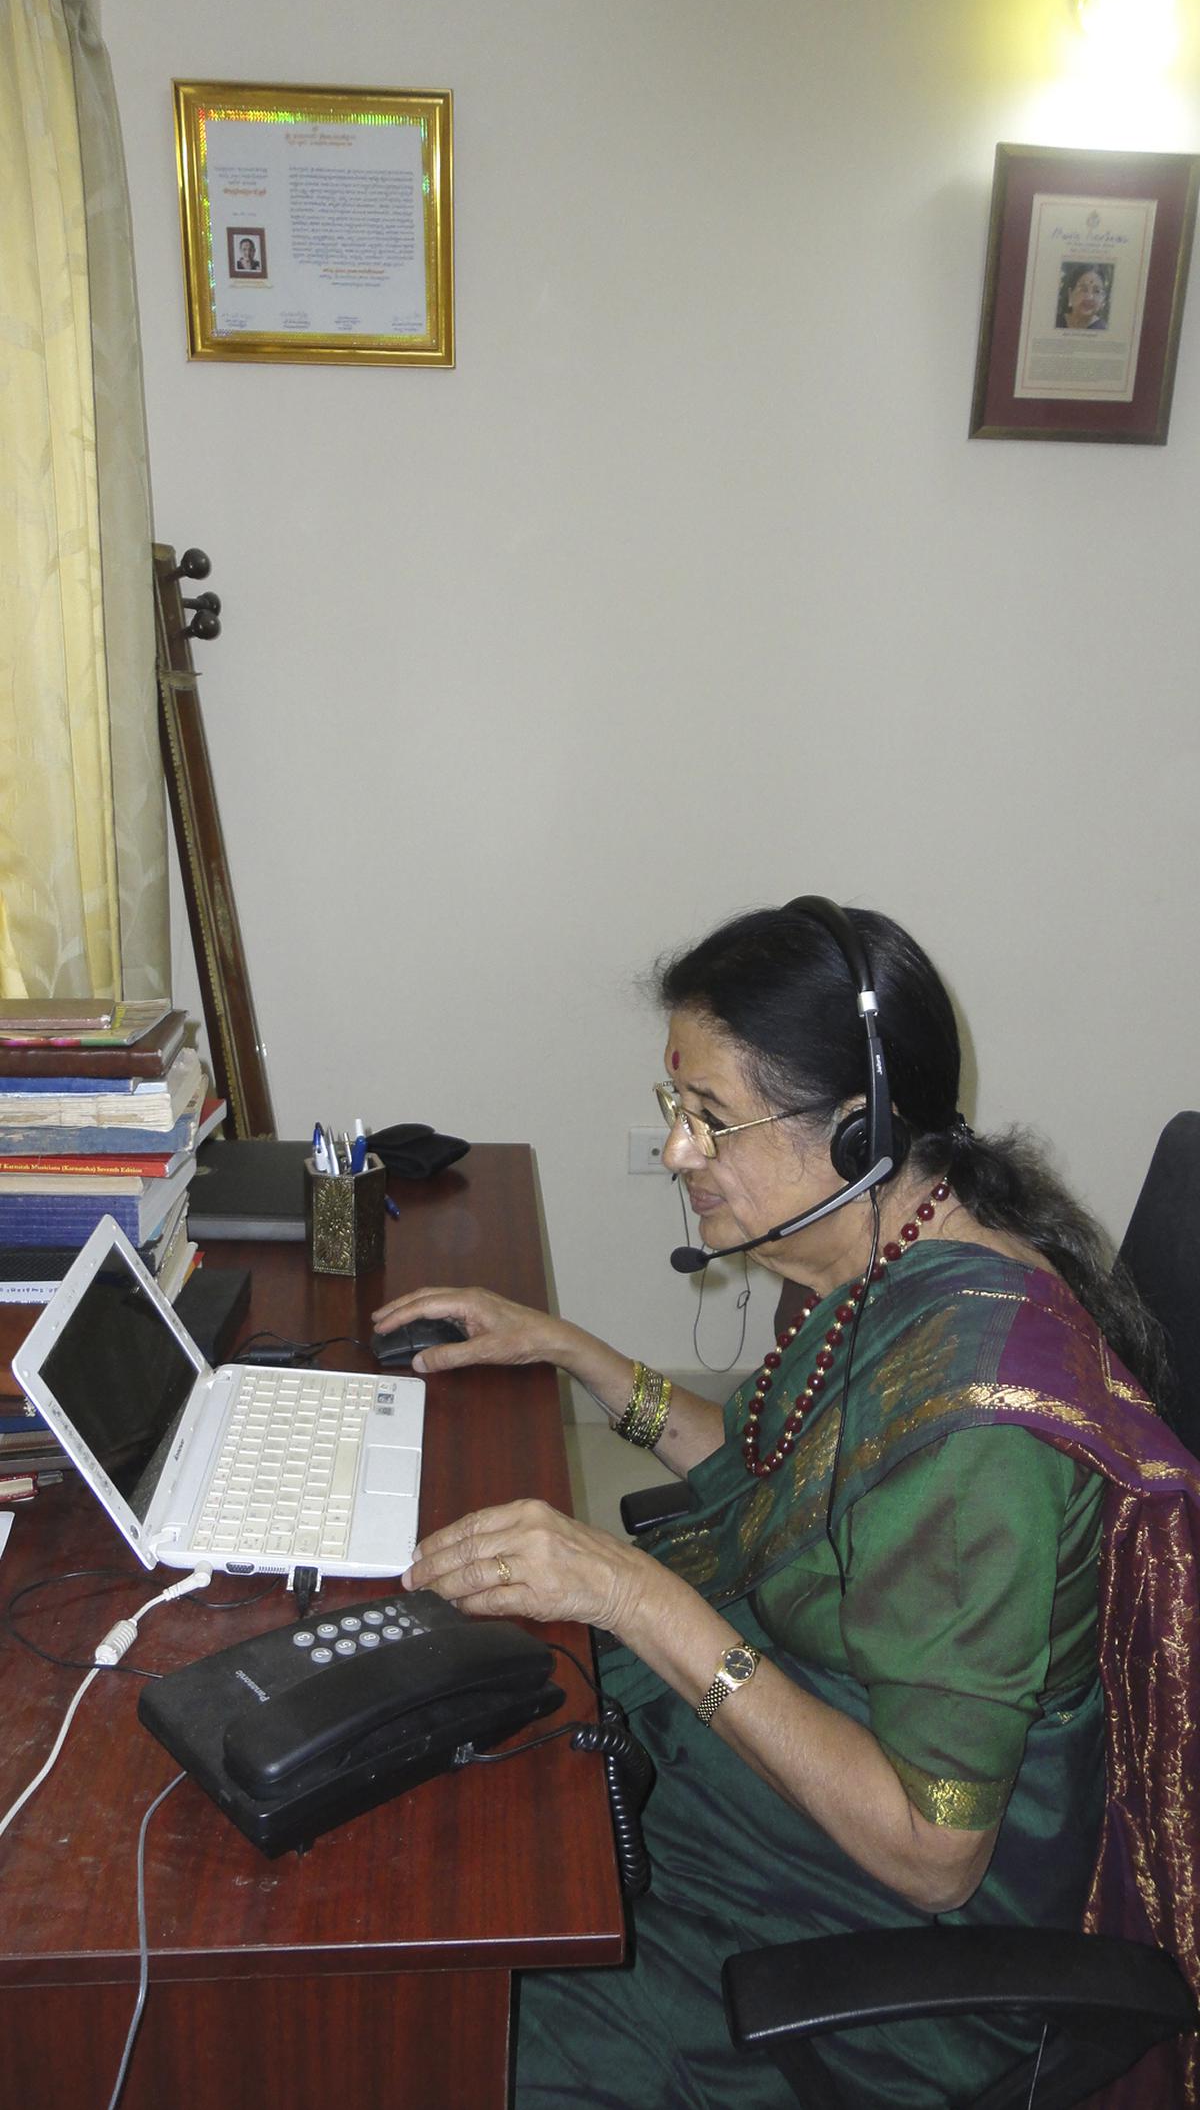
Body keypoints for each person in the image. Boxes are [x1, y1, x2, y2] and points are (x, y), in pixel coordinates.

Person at [374, 899, 1198, 2108]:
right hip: (776, 1793)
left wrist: (635, 1596)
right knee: (436, 1779)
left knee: (422, 2024)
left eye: (710, 1120)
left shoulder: (980, 1437)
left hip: (862, 1944)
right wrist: (575, 1355)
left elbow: (932, 1859)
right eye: (675, 1111)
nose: (675, 1155)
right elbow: (784, 1474)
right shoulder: (892, 1257)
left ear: (859, 1135)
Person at [1056, 263, 1109, 329]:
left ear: (1103, 299)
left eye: (1096, 291)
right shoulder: (1055, 323)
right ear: (1070, 294)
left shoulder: (1104, 331)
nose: (1090, 297)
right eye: (1084, 289)